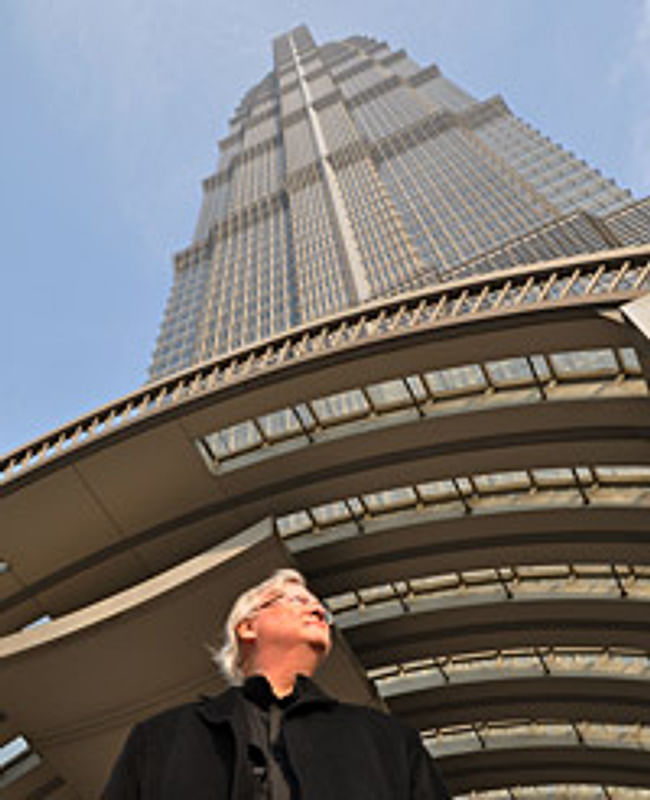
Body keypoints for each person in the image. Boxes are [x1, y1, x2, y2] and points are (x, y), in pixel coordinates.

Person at [102, 568, 449, 799]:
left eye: (322, 609)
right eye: (297, 600)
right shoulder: (163, 739)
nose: (316, 609)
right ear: (247, 627)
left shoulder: (388, 742)